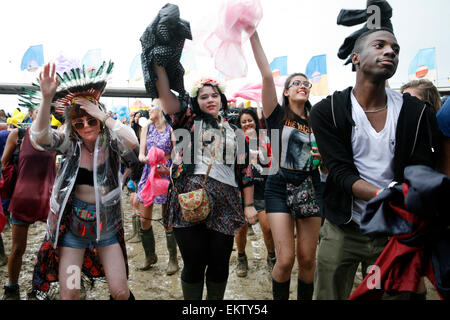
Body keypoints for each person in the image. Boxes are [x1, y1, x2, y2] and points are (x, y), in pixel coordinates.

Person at [310, 28, 440, 300]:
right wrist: (386, 195)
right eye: (379, 45)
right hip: (343, 226)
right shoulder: (328, 111)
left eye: (395, 49)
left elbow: (420, 170)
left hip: (395, 230)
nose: (390, 51)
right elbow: (341, 172)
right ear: (355, 58)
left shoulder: (416, 112)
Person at [29, 62, 138, 300]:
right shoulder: (69, 145)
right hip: (73, 229)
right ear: (73, 127)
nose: (86, 127)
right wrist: (46, 99)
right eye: (79, 124)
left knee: (120, 291)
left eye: (91, 121)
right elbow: (40, 138)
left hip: (107, 227)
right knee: (71, 292)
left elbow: (132, 143)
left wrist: (102, 114)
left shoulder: (112, 142)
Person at [152, 62, 256, 300]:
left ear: (222, 98)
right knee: (194, 264)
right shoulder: (186, 121)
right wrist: (160, 67)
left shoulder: (236, 133)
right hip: (189, 200)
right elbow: (166, 97)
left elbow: (246, 171)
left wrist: (249, 205)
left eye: (214, 95)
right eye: (203, 96)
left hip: (226, 203)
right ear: (194, 101)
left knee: (219, 265)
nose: (210, 99)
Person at [249, 30, 323, 300]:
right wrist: (253, 34)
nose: (303, 85)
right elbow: (267, 75)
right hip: (279, 186)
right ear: (287, 91)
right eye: (296, 83)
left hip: (311, 186)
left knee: (307, 260)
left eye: (306, 83)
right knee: (285, 260)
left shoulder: (318, 119)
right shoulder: (276, 115)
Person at [1, 108, 56, 300]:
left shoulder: (55, 137)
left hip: (47, 201)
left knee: (52, 247)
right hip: (22, 198)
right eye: (40, 112)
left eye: (48, 113)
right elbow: (3, 163)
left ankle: (41, 287)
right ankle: (11, 288)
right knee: (17, 248)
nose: (46, 115)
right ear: (31, 115)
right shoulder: (18, 134)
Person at [136, 99, 179, 275]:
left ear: (161, 108)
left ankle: (173, 259)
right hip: (149, 173)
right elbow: (140, 154)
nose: (148, 109)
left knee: (166, 218)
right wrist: (146, 159)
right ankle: (150, 255)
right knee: (144, 219)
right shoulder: (146, 127)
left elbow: (177, 154)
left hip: (165, 173)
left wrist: (169, 168)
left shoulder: (171, 128)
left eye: (151, 106)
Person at [234, 107, 275, 277]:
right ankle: (241, 258)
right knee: (241, 229)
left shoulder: (265, 139)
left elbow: (273, 163)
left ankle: (272, 257)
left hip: (263, 190)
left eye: (250, 120)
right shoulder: (236, 142)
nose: (247, 124)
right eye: (243, 122)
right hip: (242, 193)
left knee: (268, 228)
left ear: (256, 122)